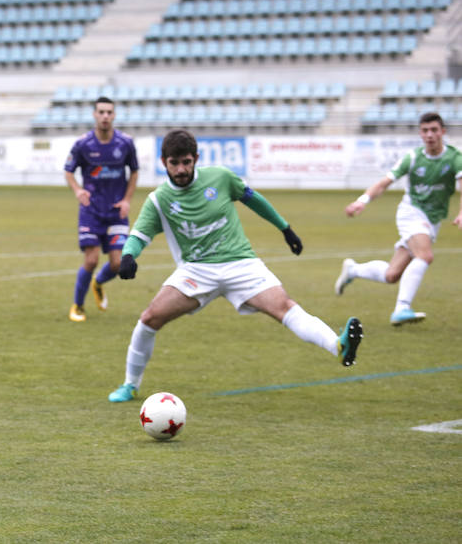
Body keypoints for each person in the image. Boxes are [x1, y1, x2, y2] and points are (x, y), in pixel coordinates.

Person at [107, 129, 362, 403]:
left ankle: (338, 345)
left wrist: (285, 228)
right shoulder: (159, 200)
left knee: (284, 307)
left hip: (241, 264)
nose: (180, 169)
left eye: (186, 162)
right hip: (196, 272)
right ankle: (130, 385)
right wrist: (129, 256)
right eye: (174, 163)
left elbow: (254, 199)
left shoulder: (221, 177)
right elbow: (138, 235)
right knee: (149, 318)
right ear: (163, 162)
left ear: (196, 159)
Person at [334, 111, 462, 325]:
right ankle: (402, 308)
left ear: (443, 132)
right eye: (425, 130)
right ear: (420, 133)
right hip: (411, 213)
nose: (430, 135)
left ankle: (353, 270)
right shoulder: (413, 158)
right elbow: (384, 183)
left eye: (434, 130)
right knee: (425, 255)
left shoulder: (455, 157)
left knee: (392, 275)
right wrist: (362, 201)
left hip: (432, 220)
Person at [64, 96, 139, 322]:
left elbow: (134, 172)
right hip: (91, 210)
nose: (105, 116)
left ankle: (98, 283)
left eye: (109, 112)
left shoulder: (125, 143)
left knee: (118, 263)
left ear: (114, 115)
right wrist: (78, 190)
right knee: (91, 260)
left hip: (116, 210)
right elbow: (68, 170)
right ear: (95, 115)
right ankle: (77, 305)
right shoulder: (83, 144)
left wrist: (127, 200)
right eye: (101, 112)